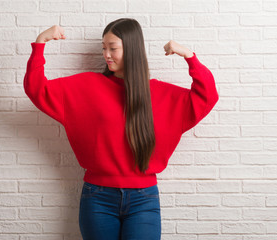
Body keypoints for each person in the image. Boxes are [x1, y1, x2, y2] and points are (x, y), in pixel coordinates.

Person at [23, 18, 219, 240]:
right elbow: (36, 88)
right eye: (103, 48)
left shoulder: (160, 94)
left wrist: (189, 57)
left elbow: (206, 97)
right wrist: (40, 43)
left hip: (144, 200)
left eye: (113, 48)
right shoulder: (87, 86)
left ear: (132, 49)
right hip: (97, 197)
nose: (106, 54)